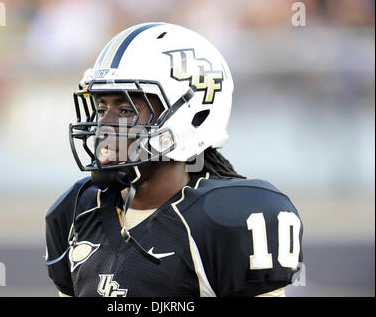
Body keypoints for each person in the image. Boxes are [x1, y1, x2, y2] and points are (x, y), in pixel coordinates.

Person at [44, 22, 303, 297]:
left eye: (124, 109)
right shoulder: (77, 211)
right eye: (100, 107)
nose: (103, 126)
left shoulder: (226, 217)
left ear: (190, 114)